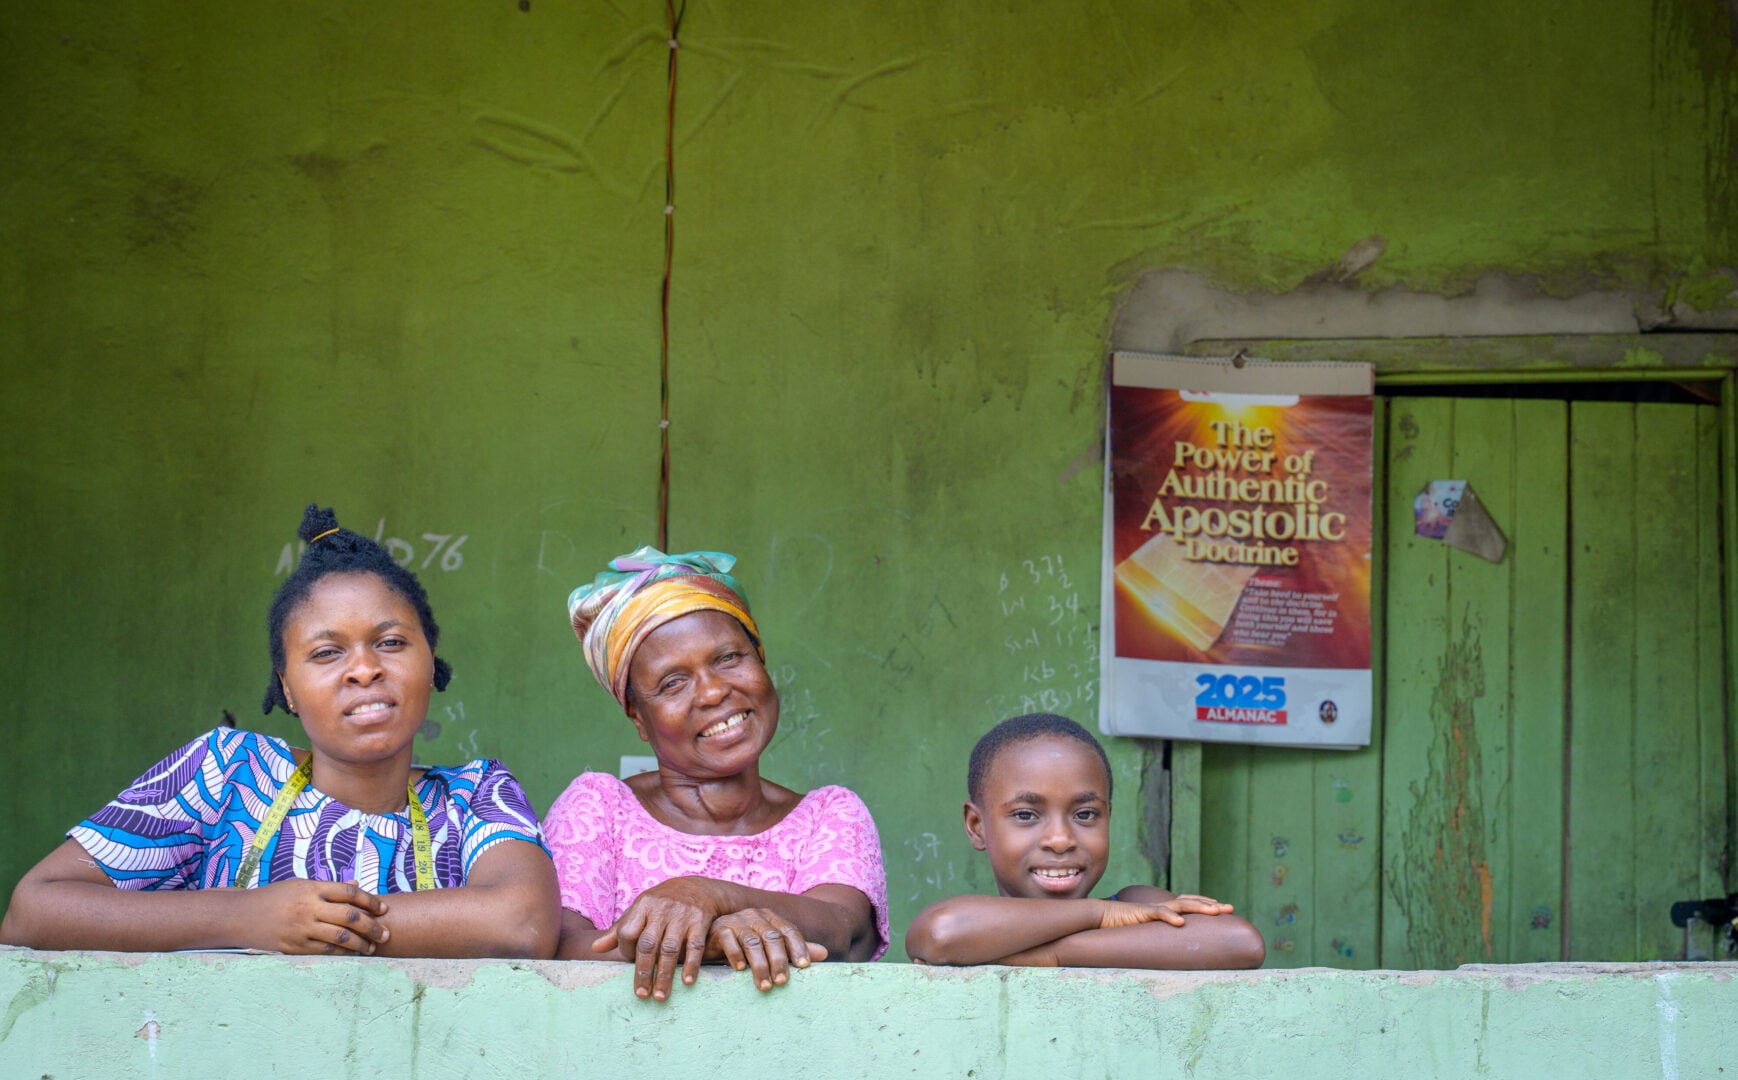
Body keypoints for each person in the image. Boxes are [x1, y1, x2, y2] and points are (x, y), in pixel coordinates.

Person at [0, 506, 560, 959]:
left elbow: (524, 921)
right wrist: (246, 917)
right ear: (286, 688)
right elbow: (35, 910)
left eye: (390, 643)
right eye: (326, 652)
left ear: (430, 662)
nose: (364, 669)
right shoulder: (225, 771)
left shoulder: (477, 795)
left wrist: (315, 926)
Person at [543, 547, 887, 1001]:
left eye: (728, 658)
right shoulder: (600, 807)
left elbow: (843, 932)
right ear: (638, 718)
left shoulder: (828, 815)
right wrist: (715, 938)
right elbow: (560, 948)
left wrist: (708, 895)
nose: (713, 692)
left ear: (761, 660)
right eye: (673, 683)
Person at [905, 713, 1265, 968]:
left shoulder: (1136, 903)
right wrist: (1100, 913)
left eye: (1085, 814)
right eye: (1026, 815)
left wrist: (1054, 954)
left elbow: (1239, 942)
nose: (1060, 840)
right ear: (976, 826)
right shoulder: (1119, 914)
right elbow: (942, 933)